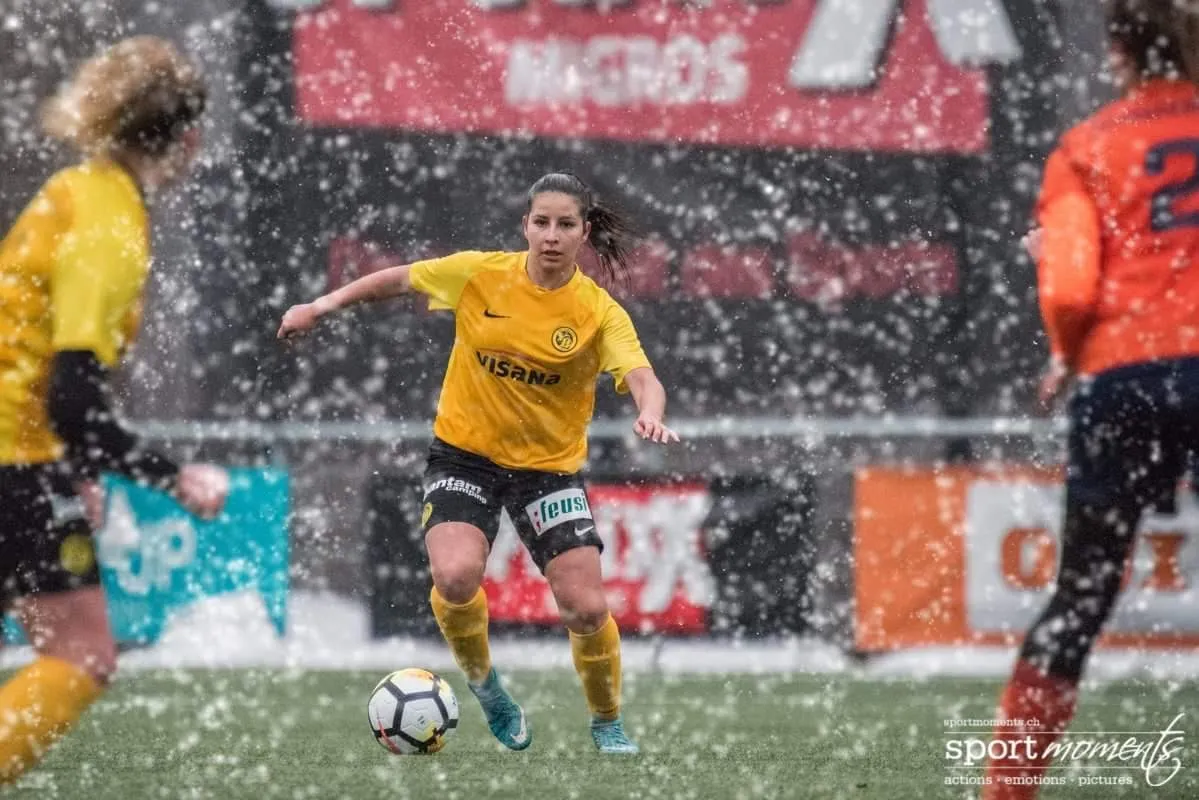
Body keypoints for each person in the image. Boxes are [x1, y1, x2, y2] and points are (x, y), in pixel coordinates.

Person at [278, 172, 677, 754]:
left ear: (583, 233)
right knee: (456, 575)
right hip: (465, 456)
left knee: (587, 609)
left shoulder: (597, 311)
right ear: (526, 225)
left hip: (548, 471)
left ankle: (607, 720)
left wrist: (650, 411)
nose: (551, 234)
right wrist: (321, 305)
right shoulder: (481, 273)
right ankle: (488, 689)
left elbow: (643, 376)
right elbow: (398, 279)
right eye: (541, 221)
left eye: (566, 224)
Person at [0, 36, 229, 783]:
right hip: (13, 456)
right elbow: (71, 394)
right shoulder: (111, 224)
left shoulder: (74, 187)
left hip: (24, 451)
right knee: (81, 655)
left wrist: (77, 465)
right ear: (188, 137)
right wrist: (173, 476)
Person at [984, 2, 1199, 797]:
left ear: (1116, 52)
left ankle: (1006, 793)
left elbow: (1070, 292)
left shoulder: (1087, 147)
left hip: (1124, 378)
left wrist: (1069, 354)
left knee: (1078, 599)